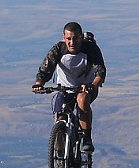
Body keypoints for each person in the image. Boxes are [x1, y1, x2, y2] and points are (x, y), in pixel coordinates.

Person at [32, 22, 106, 152]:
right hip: (64, 89)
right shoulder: (58, 49)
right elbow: (46, 69)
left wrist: (92, 85)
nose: (72, 42)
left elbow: (100, 72)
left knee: (82, 100)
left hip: (86, 88)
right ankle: (60, 156)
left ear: (81, 38)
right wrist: (39, 83)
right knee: (60, 117)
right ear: (63, 38)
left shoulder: (90, 49)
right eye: (68, 39)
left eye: (75, 38)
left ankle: (87, 139)